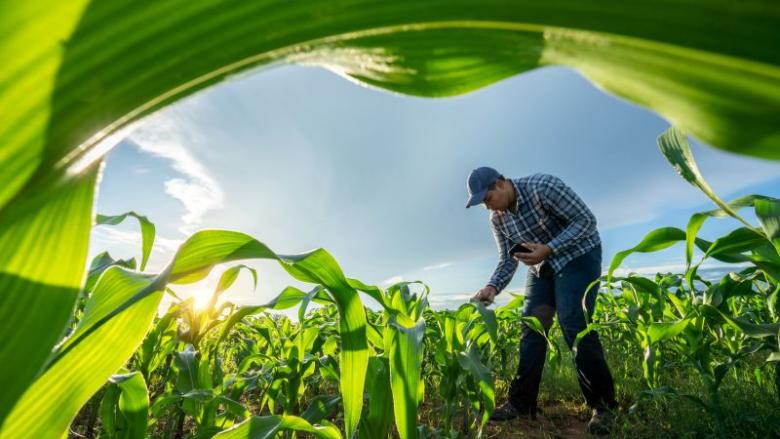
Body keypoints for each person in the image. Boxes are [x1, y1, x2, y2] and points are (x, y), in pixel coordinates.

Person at [466, 166, 617, 435]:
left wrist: (550, 248)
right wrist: (491, 287)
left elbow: (586, 221)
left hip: (578, 256)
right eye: (482, 205)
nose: (488, 208)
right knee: (531, 326)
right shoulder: (498, 220)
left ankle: (603, 406)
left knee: (574, 321)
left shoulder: (542, 187)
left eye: (487, 199)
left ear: (500, 184)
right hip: (542, 266)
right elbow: (507, 259)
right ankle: (521, 403)